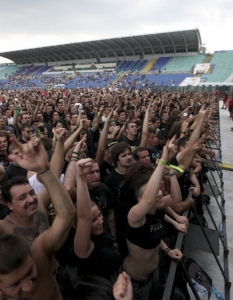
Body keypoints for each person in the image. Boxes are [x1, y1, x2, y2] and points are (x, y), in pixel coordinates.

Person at [0, 137, 75, 300]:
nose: (31, 199)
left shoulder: (39, 204)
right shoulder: (3, 228)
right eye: (22, 198)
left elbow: (53, 180)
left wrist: (44, 167)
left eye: (31, 193)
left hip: (55, 275)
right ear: (9, 204)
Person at [118, 141, 182, 299]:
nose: (159, 193)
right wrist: (164, 160)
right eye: (154, 192)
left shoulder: (156, 207)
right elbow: (148, 200)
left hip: (154, 273)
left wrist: (171, 171)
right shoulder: (133, 216)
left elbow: (176, 197)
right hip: (136, 282)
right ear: (140, 199)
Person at [73, 158, 120, 279]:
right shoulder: (85, 247)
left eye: (100, 215)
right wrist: (81, 177)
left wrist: (113, 236)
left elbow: (110, 213)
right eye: (93, 220)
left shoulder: (103, 234)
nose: (101, 221)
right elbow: (85, 217)